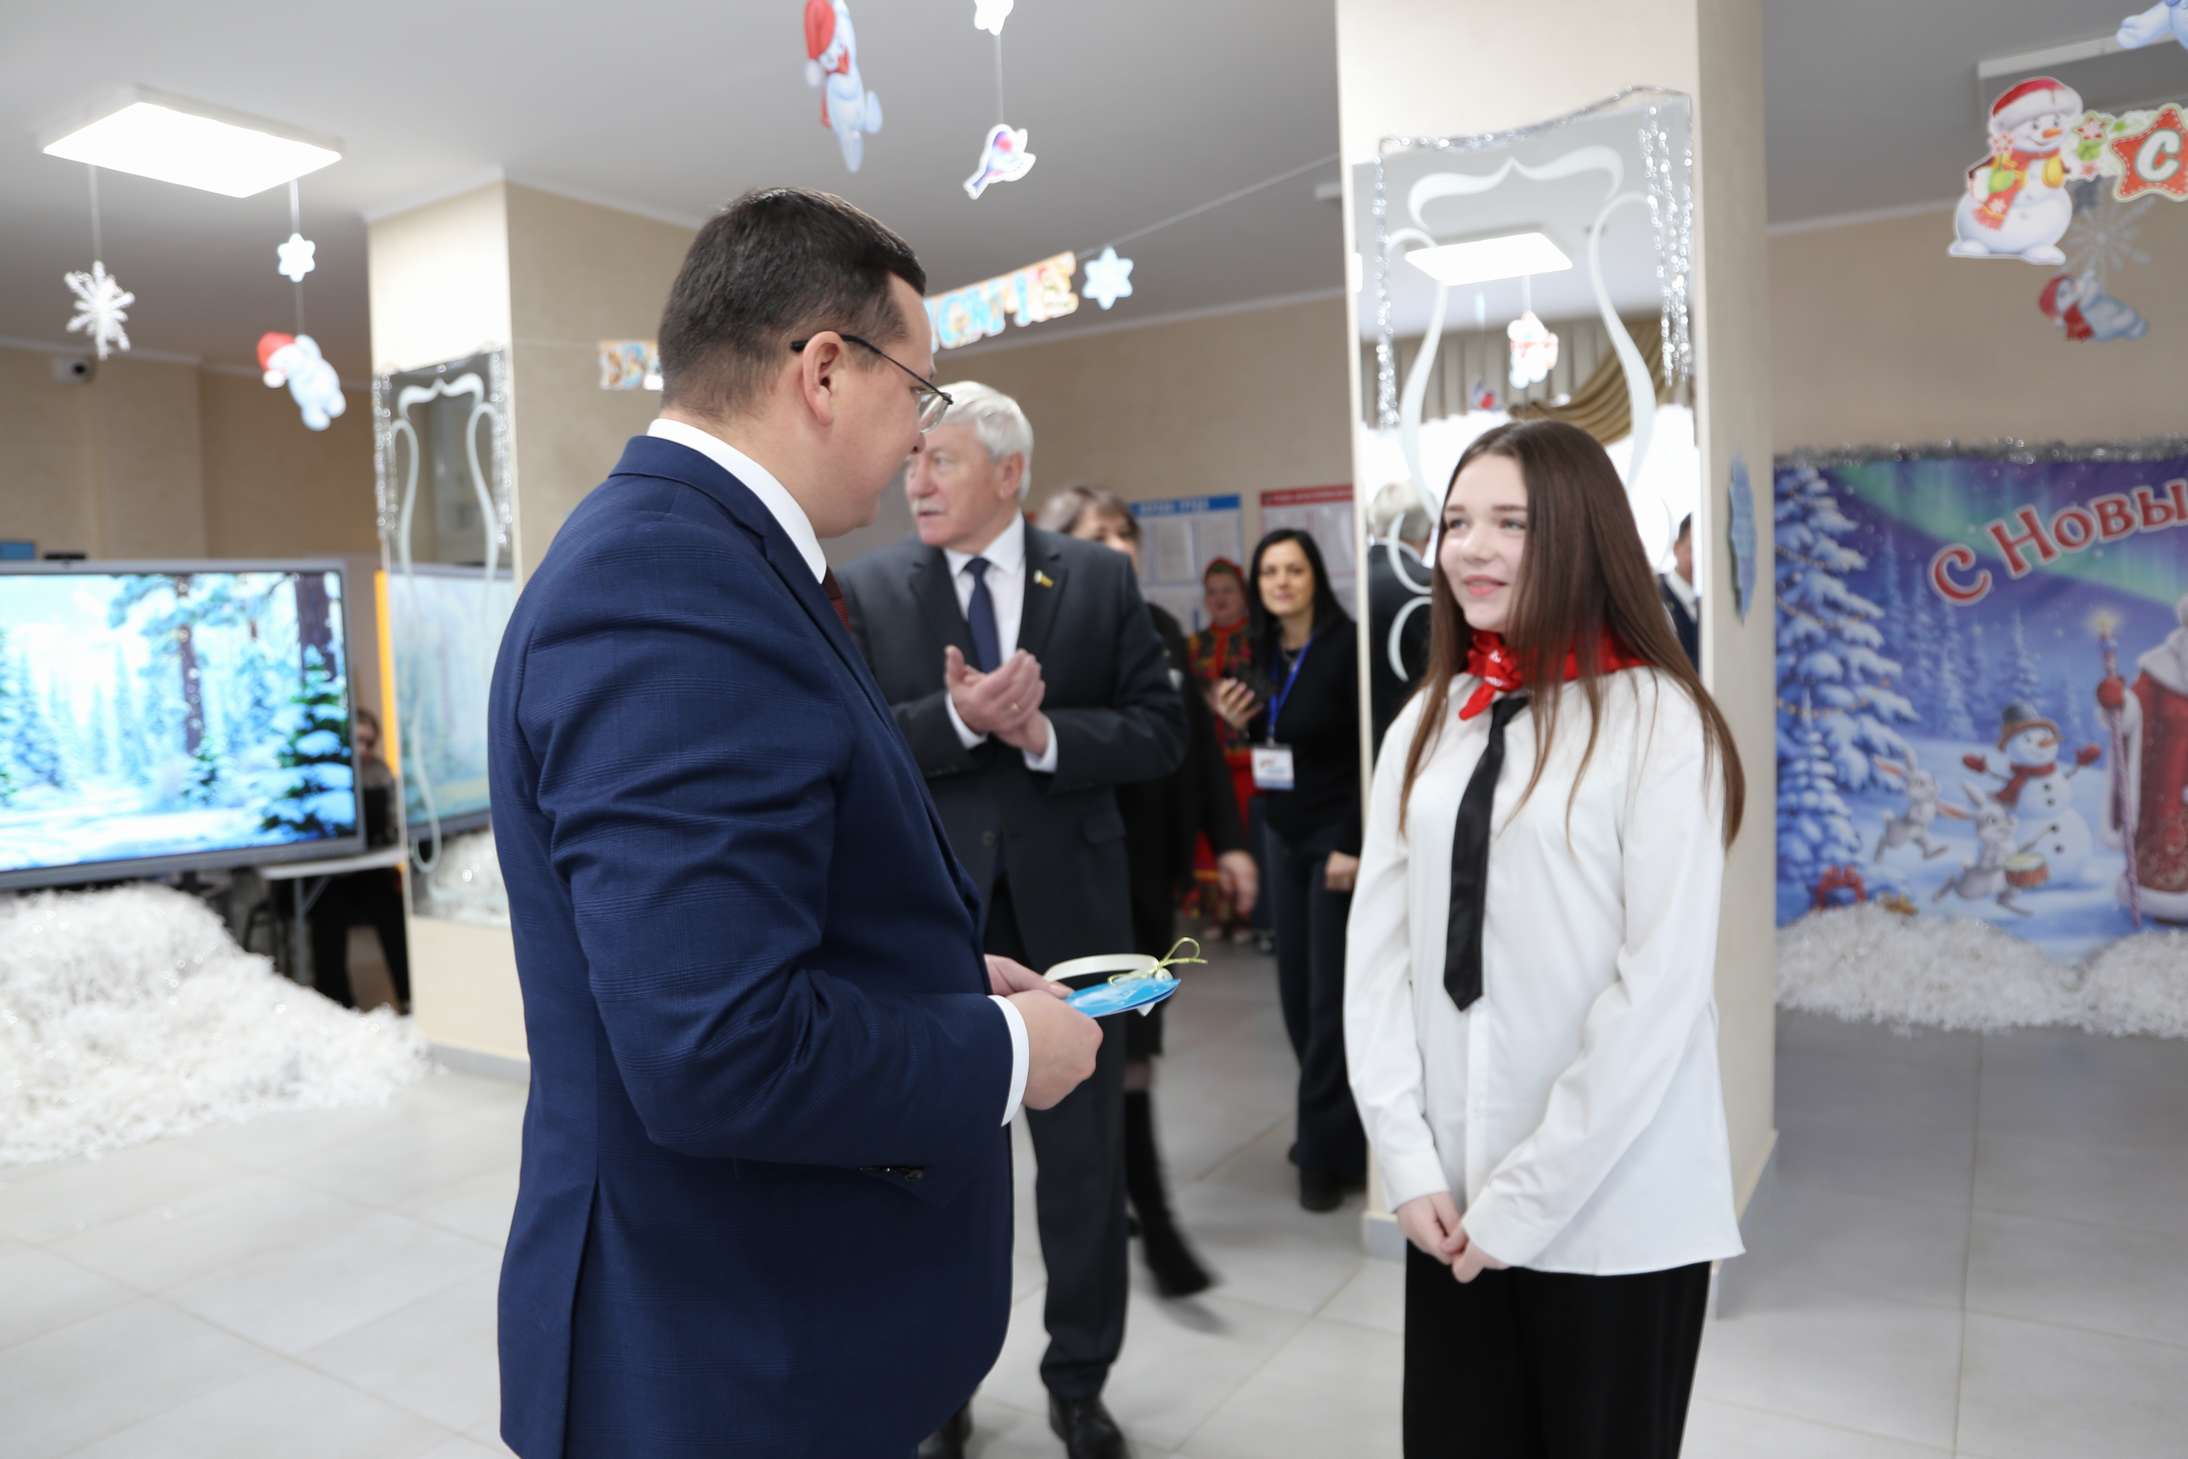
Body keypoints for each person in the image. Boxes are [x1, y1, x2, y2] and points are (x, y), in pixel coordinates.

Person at [487, 188, 1103, 1459]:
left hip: (767, 1324)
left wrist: (936, 977)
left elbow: (771, 899)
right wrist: (1002, 1052)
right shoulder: (666, 585)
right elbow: (716, 1045)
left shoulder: (720, 558)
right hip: (716, 1351)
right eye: (917, 391)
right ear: (824, 369)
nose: (920, 435)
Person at [1345, 420, 1746, 1459]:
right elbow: (1378, 961)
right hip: (1449, 1202)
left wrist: (1523, 1201)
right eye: (1455, 522)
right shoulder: (1428, 722)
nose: (1470, 548)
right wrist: (1407, 1161)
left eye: (1510, 523)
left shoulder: (1659, 722)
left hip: (1615, 1209)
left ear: (1578, 533)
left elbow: (1658, 994)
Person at [838, 388, 1185, 1459]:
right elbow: (849, 748)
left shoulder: (1097, 579)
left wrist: (1043, 735)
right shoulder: (869, 587)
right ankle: (941, 1387)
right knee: (941, 1172)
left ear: (1008, 473)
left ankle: (1079, 1383)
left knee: (1083, 1171)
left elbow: (1161, 731)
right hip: (936, 931)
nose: (915, 480)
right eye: (912, 460)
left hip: (1074, 922)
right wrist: (957, 718)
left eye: (938, 459)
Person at [1036, 484, 1257, 1299]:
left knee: (1135, 1051)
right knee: (1108, 1060)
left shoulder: (1160, 629)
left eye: (1126, 531)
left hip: (1148, 887)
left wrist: (1231, 844)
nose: (1121, 545)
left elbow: (1196, 750)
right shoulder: (1046, 637)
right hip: (1078, 888)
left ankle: (1128, 1197)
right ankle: (1152, 1224)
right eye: (1101, 534)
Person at [1210, 529, 1367, 1213]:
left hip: (1335, 840)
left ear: (1315, 578)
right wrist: (1235, 722)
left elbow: (1370, 751)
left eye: (1294, 570)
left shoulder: (1346, 647)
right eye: (1270, 571)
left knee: (1330, 1000)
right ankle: (1337, 1130)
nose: (1281, 582)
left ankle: (1324, 1155)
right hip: (1280, 833)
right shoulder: (1263, 653)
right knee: (1296, 995)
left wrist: (1354, 842)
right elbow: (1272, 739)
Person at [307, 706, 411, 1012]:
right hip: (327, 873)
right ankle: (336, 1005)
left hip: (369, 870)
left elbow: (393, 818)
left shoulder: (379, 772)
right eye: (357, 741)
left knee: (390, 908)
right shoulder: (324, 773)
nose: (363, 749)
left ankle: (408, 995)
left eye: (369, 742)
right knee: (327, 914)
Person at [1188, 559, 1264, 946]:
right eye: (1212, 592)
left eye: (1227, 591)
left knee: (1245, 834)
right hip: (1208, 757)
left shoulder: (1258, 641)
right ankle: (1219, 914)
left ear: (1243, 595)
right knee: (1208, 841)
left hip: (1249, 760)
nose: (1219, 599)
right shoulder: (1193, 645)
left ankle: (1250, 916)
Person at [1365, 481, 1435, 755]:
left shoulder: (1349, 580)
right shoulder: (1432, 586)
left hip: (1352, 744)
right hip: (1418, 739)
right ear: (1429, 532)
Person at [1659, 512, 1701, 668]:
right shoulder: (1654, 599)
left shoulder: (1711, 605)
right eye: (1694, 550)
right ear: (1676, 547)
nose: (1700, 560)